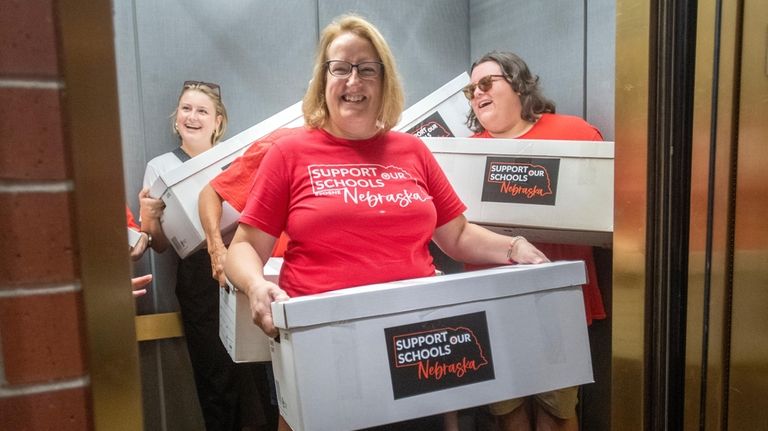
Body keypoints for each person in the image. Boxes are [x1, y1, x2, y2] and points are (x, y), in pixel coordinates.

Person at [224, 15, 549, 431]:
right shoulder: (289, 153)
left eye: (367, 69)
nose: (353, 81)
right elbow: (245, 247)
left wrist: (512, 247)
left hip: (415, 348)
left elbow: (458, 235)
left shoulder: (412, 150)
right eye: (340, 68)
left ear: (384, 80)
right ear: (324, 80)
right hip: (326, 351)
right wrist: (255, 285)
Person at [461, 50, 608, 431]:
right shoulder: (464, 151)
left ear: (518, 84)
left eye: (487, 83)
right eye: (471, 89)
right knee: (506, 413)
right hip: (492, 300)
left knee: (557, 412)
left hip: (555, 301)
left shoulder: (575, 134)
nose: (478, 93)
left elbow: (603, 209)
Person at [139, 81, 270, 431]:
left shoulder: (238, 158)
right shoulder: (160, 166)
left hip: (245, 265)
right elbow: (161, 245)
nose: (192, 117)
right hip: (198, 277)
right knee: (214, 373)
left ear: (218, 121)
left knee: (258, 371)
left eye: (201, 111)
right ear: (175, 117)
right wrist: (149, 217)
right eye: (185, 109)